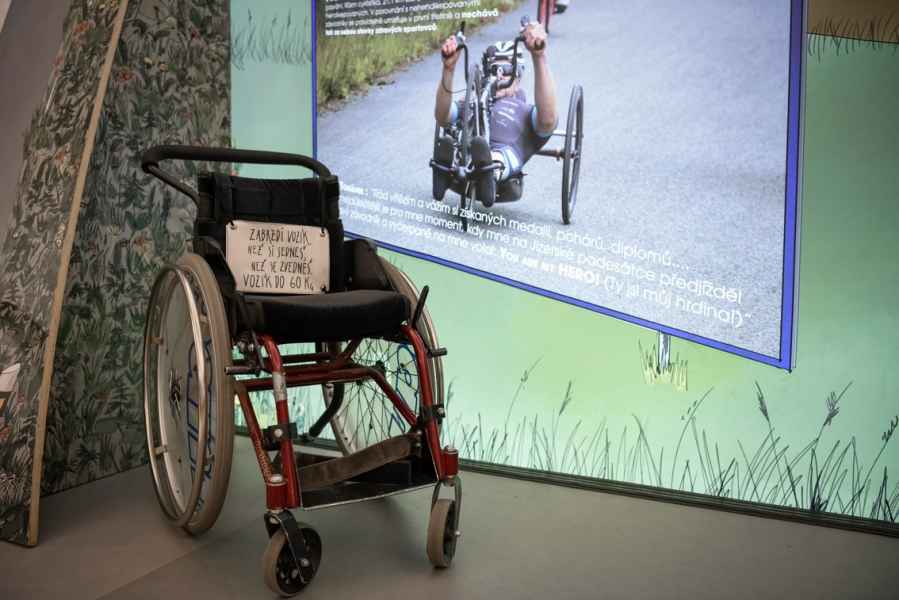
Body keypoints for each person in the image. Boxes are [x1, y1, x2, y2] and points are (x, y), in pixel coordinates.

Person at [433, 21, 558, 208]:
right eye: (493, 70)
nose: (499, 76)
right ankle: (446, 166)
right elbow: (442, 116)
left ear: (517, 75)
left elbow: (548, 121)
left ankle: (490, 172)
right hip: (466, 147)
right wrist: (448, 70)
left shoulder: (525, 110)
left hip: (504, 152)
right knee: (454, 136)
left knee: (499, 155)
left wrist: (538, 56)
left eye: (506, 71)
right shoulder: (472, 101)